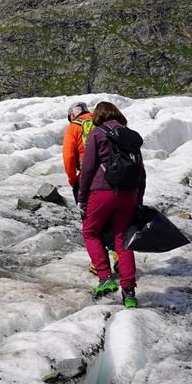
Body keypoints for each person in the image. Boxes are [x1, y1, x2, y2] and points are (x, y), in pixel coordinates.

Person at [78, 101, 144, 308]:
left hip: (102, 191)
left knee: (90, 232)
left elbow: (88, 168)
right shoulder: (129, 134)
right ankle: (129, 292)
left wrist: (82, 198)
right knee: (123, 240)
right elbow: (141, 170)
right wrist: (138, 198)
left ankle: (105, 278)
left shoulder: (97, 134)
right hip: (129, 193)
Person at [63, 101, 118, 275]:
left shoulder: (74, 127)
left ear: (72, 114)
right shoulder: (100, 122)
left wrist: (73, 179)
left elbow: (69, 156)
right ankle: (117, 254)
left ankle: (99, 264)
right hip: (110, 177)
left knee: (91, 223)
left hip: (87, 179)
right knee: (110, 218)